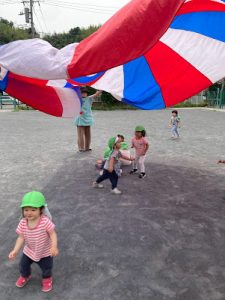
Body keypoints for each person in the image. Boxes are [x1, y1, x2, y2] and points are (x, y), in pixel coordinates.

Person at [8, 191, 58, 293]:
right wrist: (15, 250)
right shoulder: (23, 222)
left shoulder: (45, 221)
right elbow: (21, 238)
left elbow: (53, 234)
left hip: (45, 252)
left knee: (47, 268)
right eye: (26, 210)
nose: (29, 212)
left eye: (33, 209)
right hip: (29, 250)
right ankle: (25, 275)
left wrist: (54, 246)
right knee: (23, 265)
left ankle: (47, 279)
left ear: (41, 210)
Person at [74, 87, 101, 152]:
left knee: (88, 134)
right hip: (80, 119)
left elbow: (96, 94)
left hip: (88, 118)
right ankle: (81, 147)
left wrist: (100, 89)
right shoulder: (77, 99)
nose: (84, 94)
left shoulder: (89, 98)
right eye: (82, 93)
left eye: (85, 93)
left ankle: (87, 147)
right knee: (81, 134)